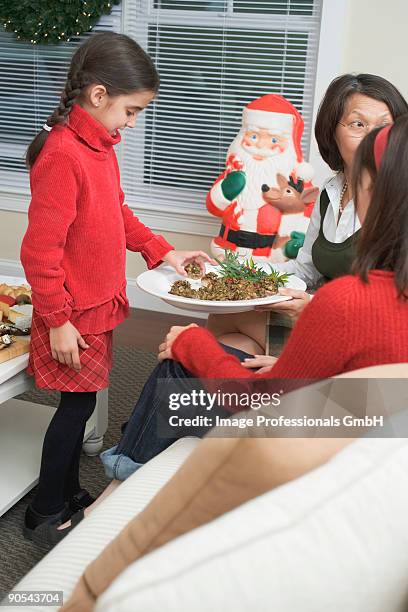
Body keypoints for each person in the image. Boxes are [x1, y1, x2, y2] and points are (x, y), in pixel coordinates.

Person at [59, 115, 408, 529]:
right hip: (363, 439)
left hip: (307, 454)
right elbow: (373, 382)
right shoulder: (360, 284)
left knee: (181, 365)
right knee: (199, 361)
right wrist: (296, 371)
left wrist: (192, 342)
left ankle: (113, 503)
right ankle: (119, 492)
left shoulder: (352, 302)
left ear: (383, 196)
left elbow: (256, 403)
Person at [20, 32, 213, 546]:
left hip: (94, 305)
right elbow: (39, 253)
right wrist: (57, 319)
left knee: (81, 404)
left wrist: (163, 251)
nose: (132, 123)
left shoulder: (100, 148)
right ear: (99, 95)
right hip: (72, 313)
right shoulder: (63, 154)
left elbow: (116, 214)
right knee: (75, 409)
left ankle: (67, 490)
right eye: (130, 111)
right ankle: (44, 511)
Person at [205, 73, 408, 367]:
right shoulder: (330, 190)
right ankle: (268, 396)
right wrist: (234, 268)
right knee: (233, 343)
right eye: (358, 124)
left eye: (384, 126)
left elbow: (391, 308)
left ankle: (282, 386)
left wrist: (312, 307)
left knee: (230, 324)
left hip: (359, 336)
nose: (372, 137)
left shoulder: (397, 200)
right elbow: (306, 269)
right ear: (331, 132)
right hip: (326, 317)